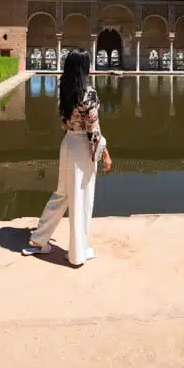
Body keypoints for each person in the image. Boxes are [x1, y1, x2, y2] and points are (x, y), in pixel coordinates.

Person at [23, 49, 112, 265]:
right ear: (84, 67)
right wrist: (105, 153)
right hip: (82, 147)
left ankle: (38, 239)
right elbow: (93, 129)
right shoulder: (88, 92)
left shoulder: (64, 89)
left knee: (62, 193)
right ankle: (77, 253)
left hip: (68, 144)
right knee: (82, 198)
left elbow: (64, 122)